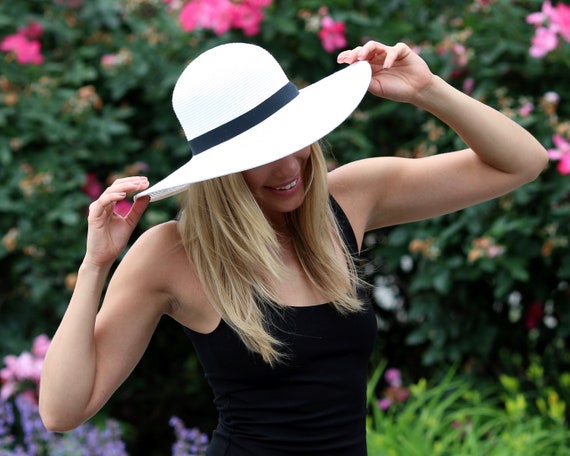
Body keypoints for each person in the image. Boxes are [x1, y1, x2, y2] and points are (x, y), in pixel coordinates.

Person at [39, 40, 548, 455]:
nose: (288, 168)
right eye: (259, 155)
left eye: (293, 139)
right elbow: (63, 411)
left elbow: (521, 162)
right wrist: (95, 265)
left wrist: (429, 90)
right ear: (219, 170)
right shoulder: (174, 252)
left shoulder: (350, 199)